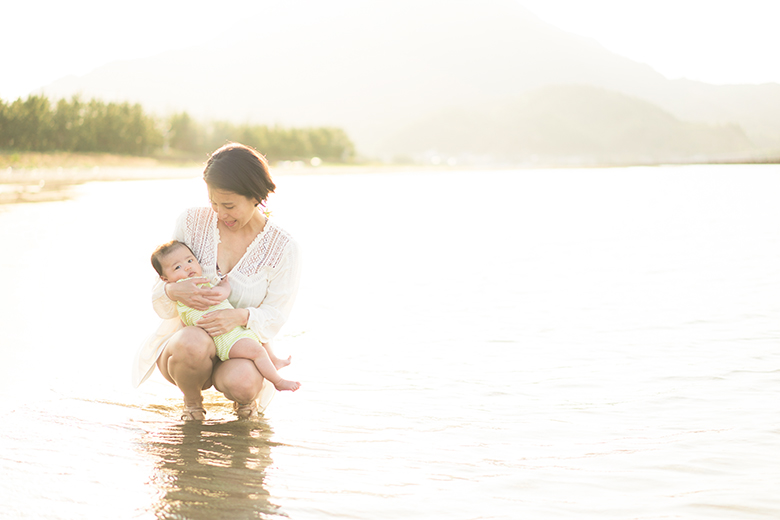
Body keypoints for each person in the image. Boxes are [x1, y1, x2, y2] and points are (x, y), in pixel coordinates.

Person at [132, 142, 302, 421]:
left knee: (244, 383)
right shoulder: (191, 222)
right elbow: (159, 289)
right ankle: (192, 406)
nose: (220, 214)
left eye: (229, 205)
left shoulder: (284, 248)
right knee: (192, 343)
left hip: (239, 350)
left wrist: (238, 316)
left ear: (256, 195)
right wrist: (173, 290)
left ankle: (245, 413)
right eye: (213, 203)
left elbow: (276, 315)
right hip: (187, 349)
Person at [150, 239, 301, 392]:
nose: (188, 266)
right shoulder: (193, 289)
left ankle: (273, 360)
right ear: (164, 279)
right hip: (226, 340)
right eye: (178, 267)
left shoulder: (183, 298)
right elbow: (219, 294)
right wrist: (224, 285)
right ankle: (278, 381)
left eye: (190, 260)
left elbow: (185, 323)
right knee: (257, 352)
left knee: (258, 332)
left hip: (233, 331)